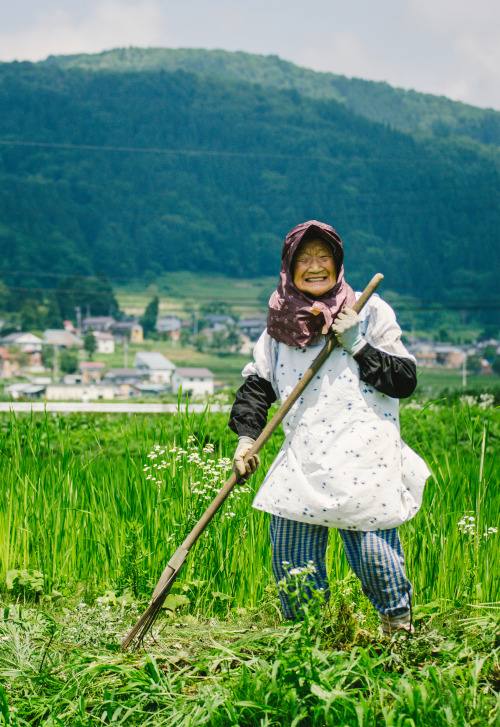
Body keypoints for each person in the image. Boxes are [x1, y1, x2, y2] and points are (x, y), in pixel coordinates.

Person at [229, 220, 430, 637]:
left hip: (365, 455)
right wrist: (247, 439)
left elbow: (404, 381)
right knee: (292, 558)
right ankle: (309, 645)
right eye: (304, 258)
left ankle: (400, 635)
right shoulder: (279, 321)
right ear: (289, 266)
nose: (314, 266)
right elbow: (258, 387)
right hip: (303, 456)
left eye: (324, 257)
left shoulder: (370, 311)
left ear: (338, 264)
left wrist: (358, 343)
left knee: (377, 558)